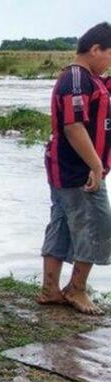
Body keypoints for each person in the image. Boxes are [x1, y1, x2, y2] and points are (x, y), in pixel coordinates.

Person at [38, 22, 111, 315]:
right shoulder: (77, 80)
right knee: (98, 226)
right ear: (95, 50)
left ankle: (50, 289)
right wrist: (95, 165)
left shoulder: (92, 80)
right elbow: (73, 126)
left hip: (69, 169)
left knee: (63, 225)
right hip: (77, 170)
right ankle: (76, 289)